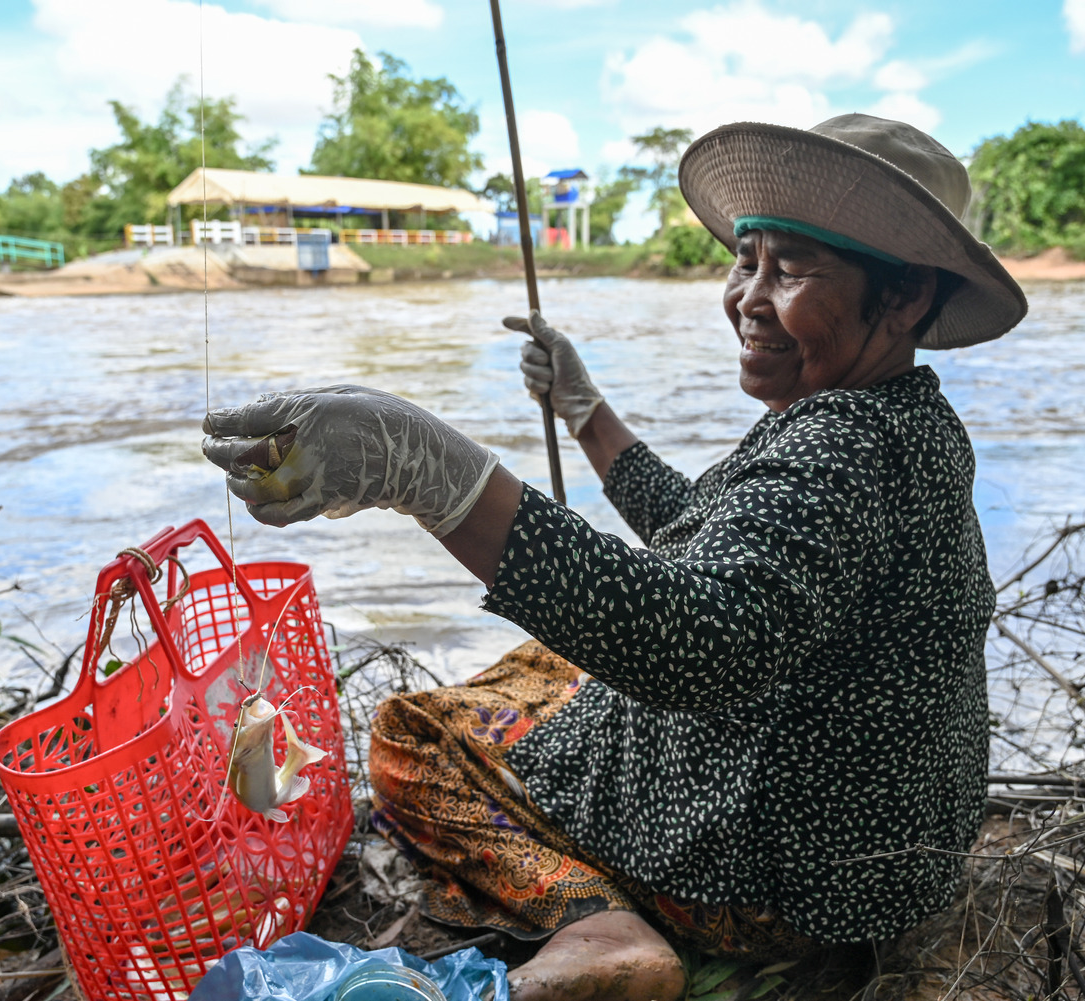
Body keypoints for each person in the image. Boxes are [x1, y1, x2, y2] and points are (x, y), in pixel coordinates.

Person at [202, 114, 1027, 1001]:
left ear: (904, 298)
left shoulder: (849, 448)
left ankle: (600, 925)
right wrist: (585, 410)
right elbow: (695, 530)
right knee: (548, 659)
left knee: (412, 736)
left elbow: (693, 645)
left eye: (791, 270)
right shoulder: (890, 416)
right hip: (869, 851)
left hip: (782, 880)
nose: (747, 296)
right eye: (747, 259)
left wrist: (426, 469)